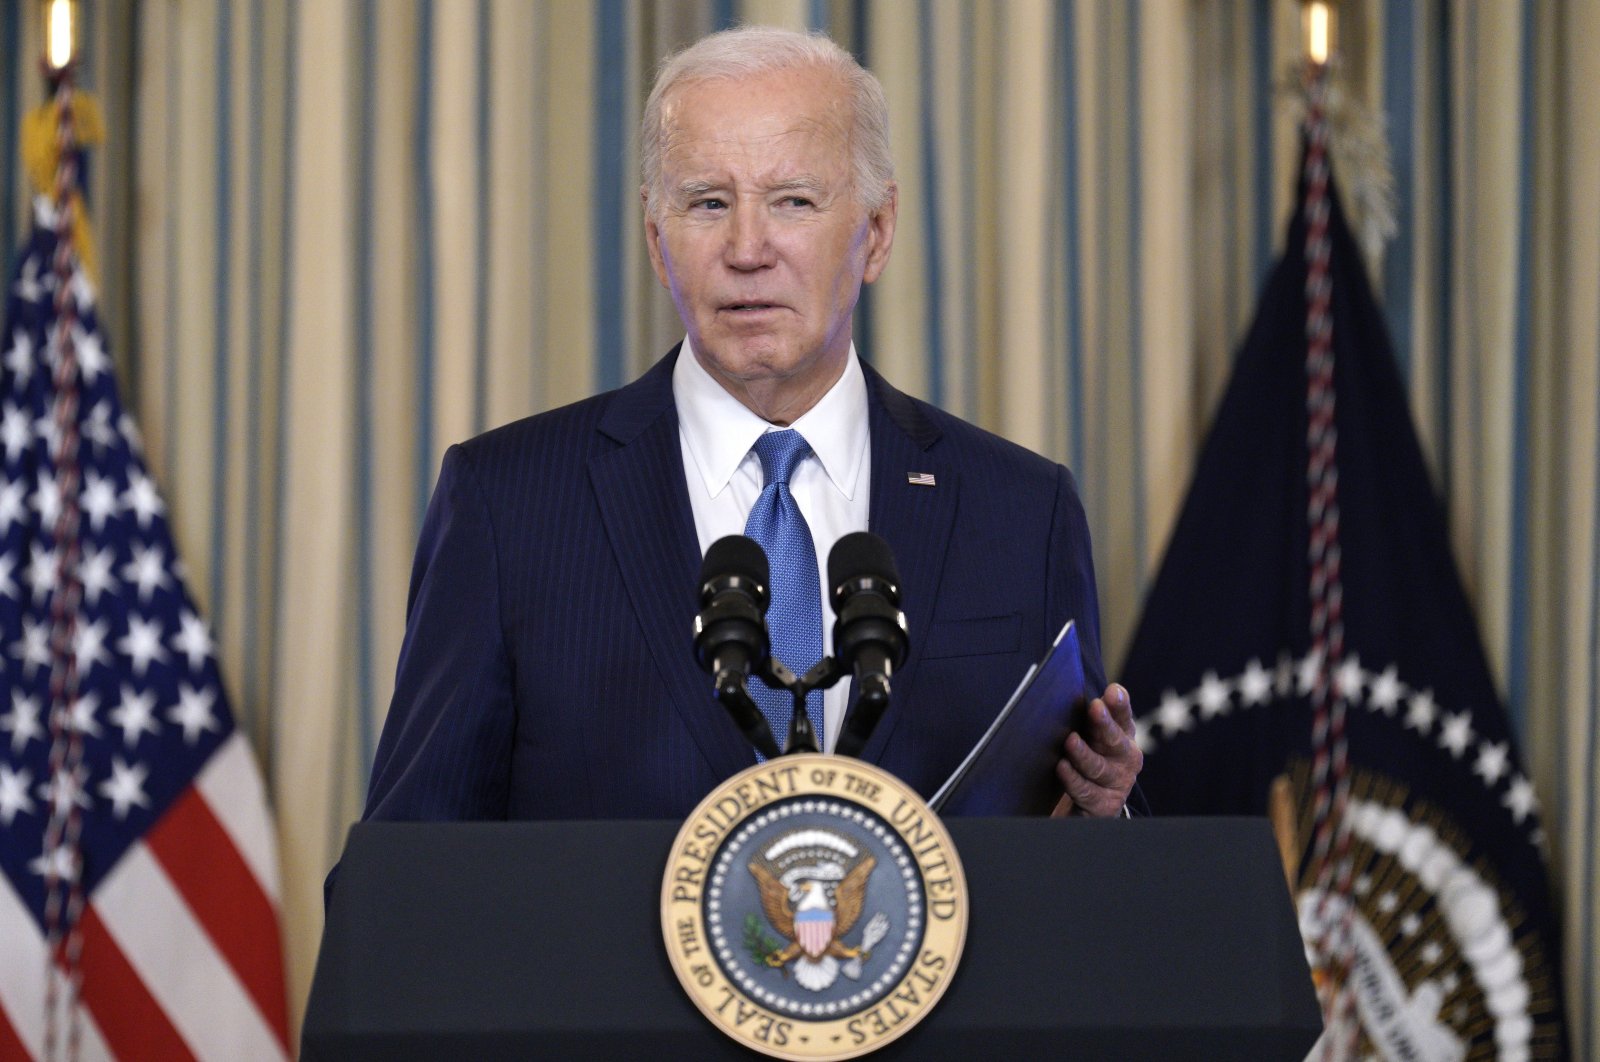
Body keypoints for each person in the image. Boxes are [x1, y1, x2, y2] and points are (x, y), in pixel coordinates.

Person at [358, 26, 1141, 831]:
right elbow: (407, 878)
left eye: (793, 201)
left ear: (876, 231)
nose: (747, 248)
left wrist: (1100, 813)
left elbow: (1078, 877)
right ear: (659, 242)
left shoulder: (1019, 509)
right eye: (707, 203)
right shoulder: (509, 504)